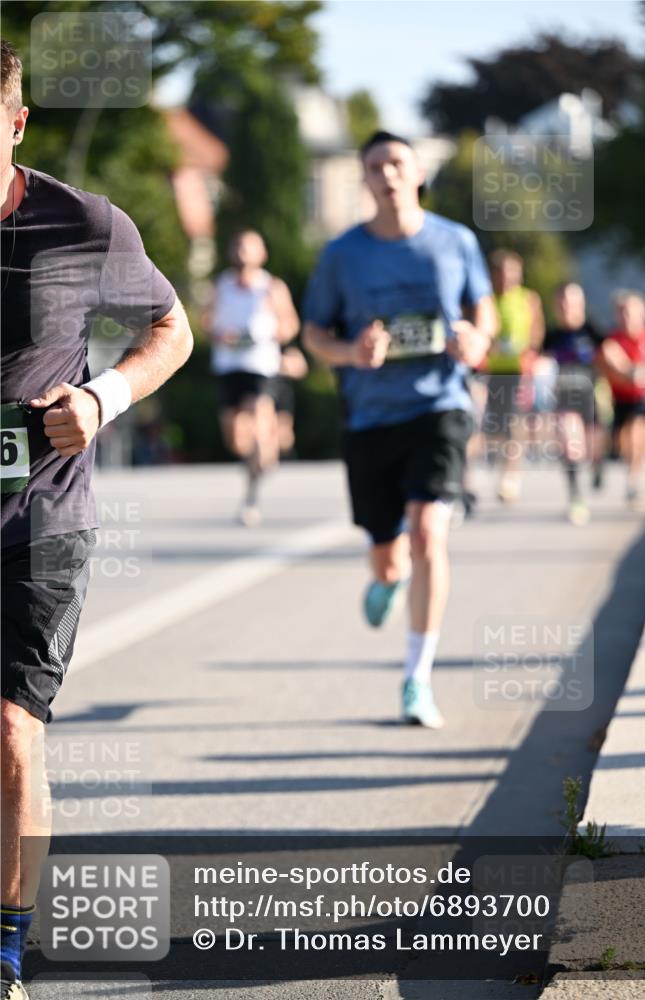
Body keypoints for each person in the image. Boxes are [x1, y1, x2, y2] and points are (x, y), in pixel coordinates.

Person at [0, 40, 193, 999]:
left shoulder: (81, 224)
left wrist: (104, 398)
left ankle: (5, 955)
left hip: (41, 518)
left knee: (10, 730)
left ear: (18, 121)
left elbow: (172, 326)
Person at [302, 130, 497, 728]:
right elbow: (314, 335)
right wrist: (351, 353)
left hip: (439, 406)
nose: (386, 174)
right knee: (389, 557)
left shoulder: (454, 241)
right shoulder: (343, 254)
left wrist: (477, 338)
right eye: (374, 166)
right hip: (369, 416)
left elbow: (481, 309)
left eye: (396, 163)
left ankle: (417, 678)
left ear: (416, 173)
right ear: (363, 180)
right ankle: (385, 579)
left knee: (428, 536)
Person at [205, 230, 300, 526]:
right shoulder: (220, 286)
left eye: (249, 247)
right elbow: (206, 323)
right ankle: (258, 462)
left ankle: (252, 494)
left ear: (262, 254)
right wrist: (222, 335)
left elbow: (290, 326)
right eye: (238, 246)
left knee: (259, 422)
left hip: (261, 366)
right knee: (235, 439)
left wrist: (268, 333)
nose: (243, 252)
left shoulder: (272, 287)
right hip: (228, 366)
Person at [543, 283, 607, 525]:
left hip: (592, 397)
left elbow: (611, 355)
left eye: (571, 303)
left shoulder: (592, 331)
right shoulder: (552, 337)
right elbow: (539, 362)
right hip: (565, 399)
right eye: (562, 304)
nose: (567, 308)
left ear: (581, 304)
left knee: (592, 450)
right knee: (570, 447)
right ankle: (575, 498)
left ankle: (599, 464)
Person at [484, 250, 544, 501]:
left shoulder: (528, 298)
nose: (507, 278)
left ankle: (510, 476)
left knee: (513, 422)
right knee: (494, 425)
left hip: (518, 370)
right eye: (502, 273)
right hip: (489, 369)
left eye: (512, 273)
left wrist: (531, 352)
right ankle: (501, 464)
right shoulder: (485, 299)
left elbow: (537, 330)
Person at [600, 290, 645, 507]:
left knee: (639, 432)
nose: (627, 317)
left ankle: (634, 481)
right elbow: (617, 367)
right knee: (622, 442)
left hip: (644, 400)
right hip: (621, 400)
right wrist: (631, 372)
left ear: (642, 313)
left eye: (631, 312)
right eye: (622, 313)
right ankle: (622, 467)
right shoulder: (613, 340)